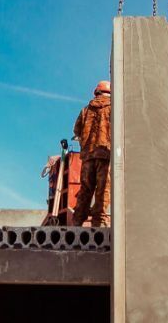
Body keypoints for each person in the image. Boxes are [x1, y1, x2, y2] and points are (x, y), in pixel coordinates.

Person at [71, 80, 113, 226]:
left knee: (86, 189)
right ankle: (99, 222)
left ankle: (77, 221)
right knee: (103, 189)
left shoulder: (85, 110)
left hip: (88, 156)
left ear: (96, 92)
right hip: (105, 154)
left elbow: (76, 131)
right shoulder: (113, 108)